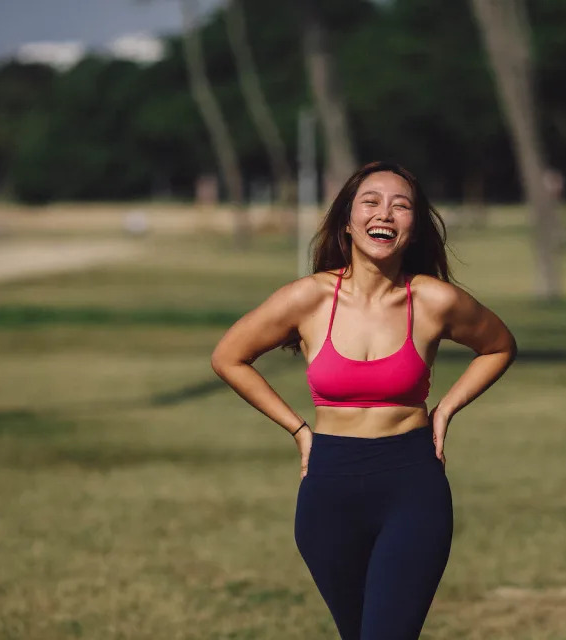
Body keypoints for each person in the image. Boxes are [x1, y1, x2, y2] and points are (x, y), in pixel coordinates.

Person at [210, 161, 517, 639]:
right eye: (371, 202)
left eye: (402, 206)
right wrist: (298, 430)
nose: (386, 214)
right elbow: (229, 357)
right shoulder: (308, 299)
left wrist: (448, 409)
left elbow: (498, 346)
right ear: (347, 223)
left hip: (411, 486)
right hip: (328, 488)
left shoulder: (434, 300)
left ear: (414, 228)